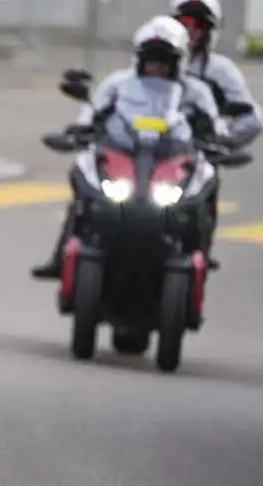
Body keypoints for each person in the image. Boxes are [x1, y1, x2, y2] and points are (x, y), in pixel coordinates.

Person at [30, 15, 226, 279]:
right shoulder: (117, 84)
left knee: (208, 180)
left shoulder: (196, 92)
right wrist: (79, 131)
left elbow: (215, 128)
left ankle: (200, 249)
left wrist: (217, 141)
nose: (156, 66)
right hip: (124, 155)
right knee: (82, 180)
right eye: (151, 59)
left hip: (170, 159)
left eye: (163, 60)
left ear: (177, 61)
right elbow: (92, 113)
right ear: (140, 58)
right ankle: (60, 256)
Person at [170, 0, 263, 268]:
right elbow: (122, 97)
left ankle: (198, 260)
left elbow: (252, 119)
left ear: (208, 31)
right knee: (89, 180)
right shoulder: (152, 58)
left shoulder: (220, 70)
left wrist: (221, 141)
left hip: (194, 155)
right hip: (148, 149)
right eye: (184, 23)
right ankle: (64, 255)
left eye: (197, 25)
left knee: (204, 196)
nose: (189, 32)